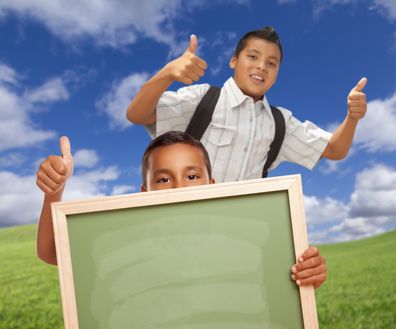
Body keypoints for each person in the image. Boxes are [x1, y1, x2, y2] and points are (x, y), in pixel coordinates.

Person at [36, 131, 326, 288]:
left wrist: (307, 273)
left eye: (191, 176)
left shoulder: (243, 243)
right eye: (163, 179)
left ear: (211, 185)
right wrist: (54, 192)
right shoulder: (127, 243)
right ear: (144, 192)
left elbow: (281, 284)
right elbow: (51, 252)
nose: (178, 188)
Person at [126, 26, 367, 183]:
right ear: (233, 61)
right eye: (253, 57)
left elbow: (335, 150)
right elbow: (138, 114)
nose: (262, 66)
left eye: (272, 63)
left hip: (238, 232)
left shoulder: (280, 123)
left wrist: (352, 117)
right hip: (186, 223)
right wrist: (167, 73)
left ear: (277, 74)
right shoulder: (204, 99)